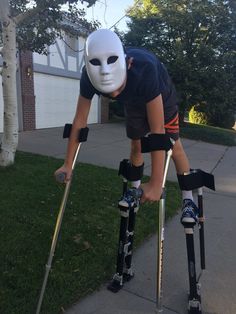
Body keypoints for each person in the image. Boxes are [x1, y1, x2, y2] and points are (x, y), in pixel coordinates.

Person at [55, 28, 199, 224]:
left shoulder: (144, 69)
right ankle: (135, 189)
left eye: (117, 88)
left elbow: (157, 132)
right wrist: (67, 164)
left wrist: (157, 184)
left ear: (125, 65)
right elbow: (79, 121)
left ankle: (188, 200)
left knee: (173, 144)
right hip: (133, 101)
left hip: (161, 98)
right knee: (136, 143)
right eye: (107, 91)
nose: (113, 95)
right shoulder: (89, 76)